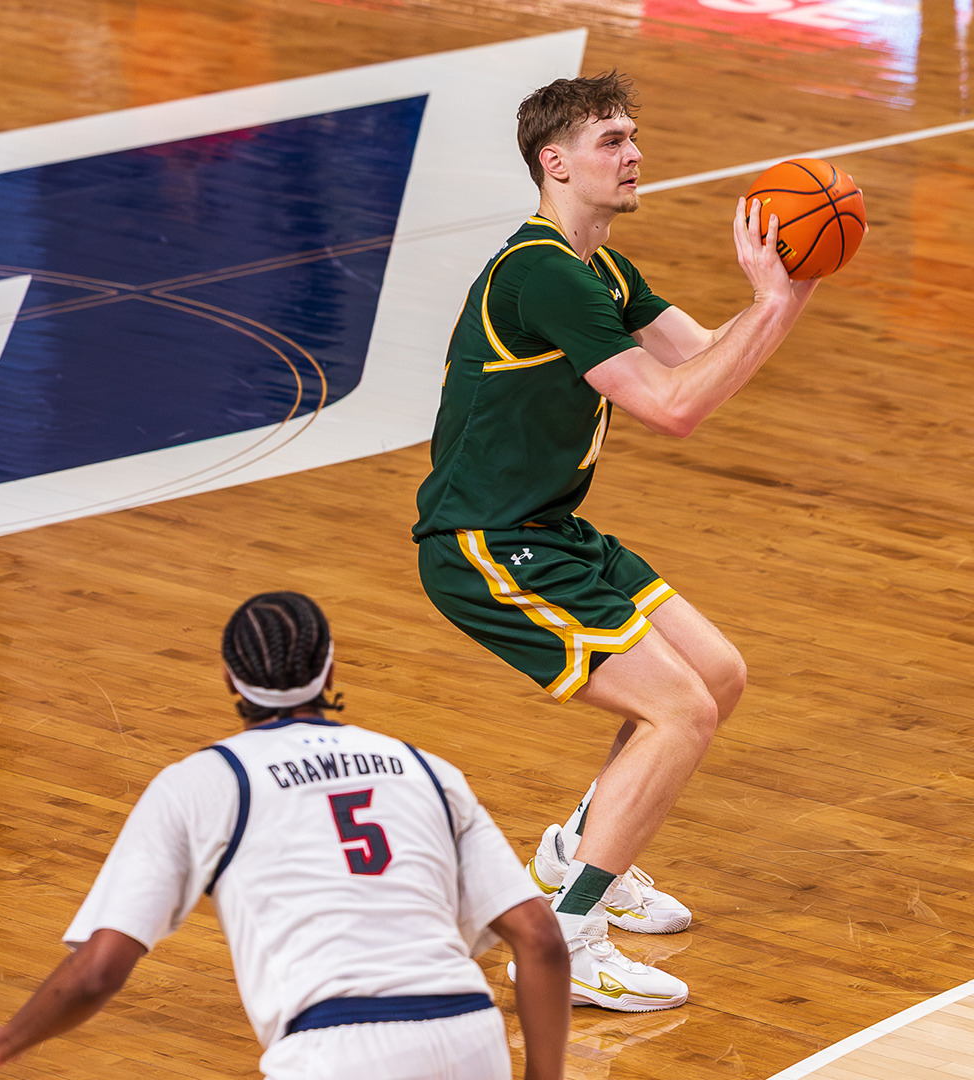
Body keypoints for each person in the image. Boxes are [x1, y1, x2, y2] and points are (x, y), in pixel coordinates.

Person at [412, 71, 819, 1010]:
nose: (634, 155)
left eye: (633, 137)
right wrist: (771, 304)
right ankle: (568, 936)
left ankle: (577, 851)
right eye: (611, 141)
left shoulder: (603, 270)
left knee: (717, 675)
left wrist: (786, 293)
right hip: (487, 545)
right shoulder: (541, 272)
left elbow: (704, 357)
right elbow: (673, 409)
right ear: (554, 163)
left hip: (551, 528)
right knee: (681, 712)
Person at [0, 591, 569, 1080]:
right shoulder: (426, 769)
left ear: (228, 677)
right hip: (470, 1033)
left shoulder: (201, 784)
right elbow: (540, 940)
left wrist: (5, 1041)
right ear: (329, 669)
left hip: (334, 1051)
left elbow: (99, 971)